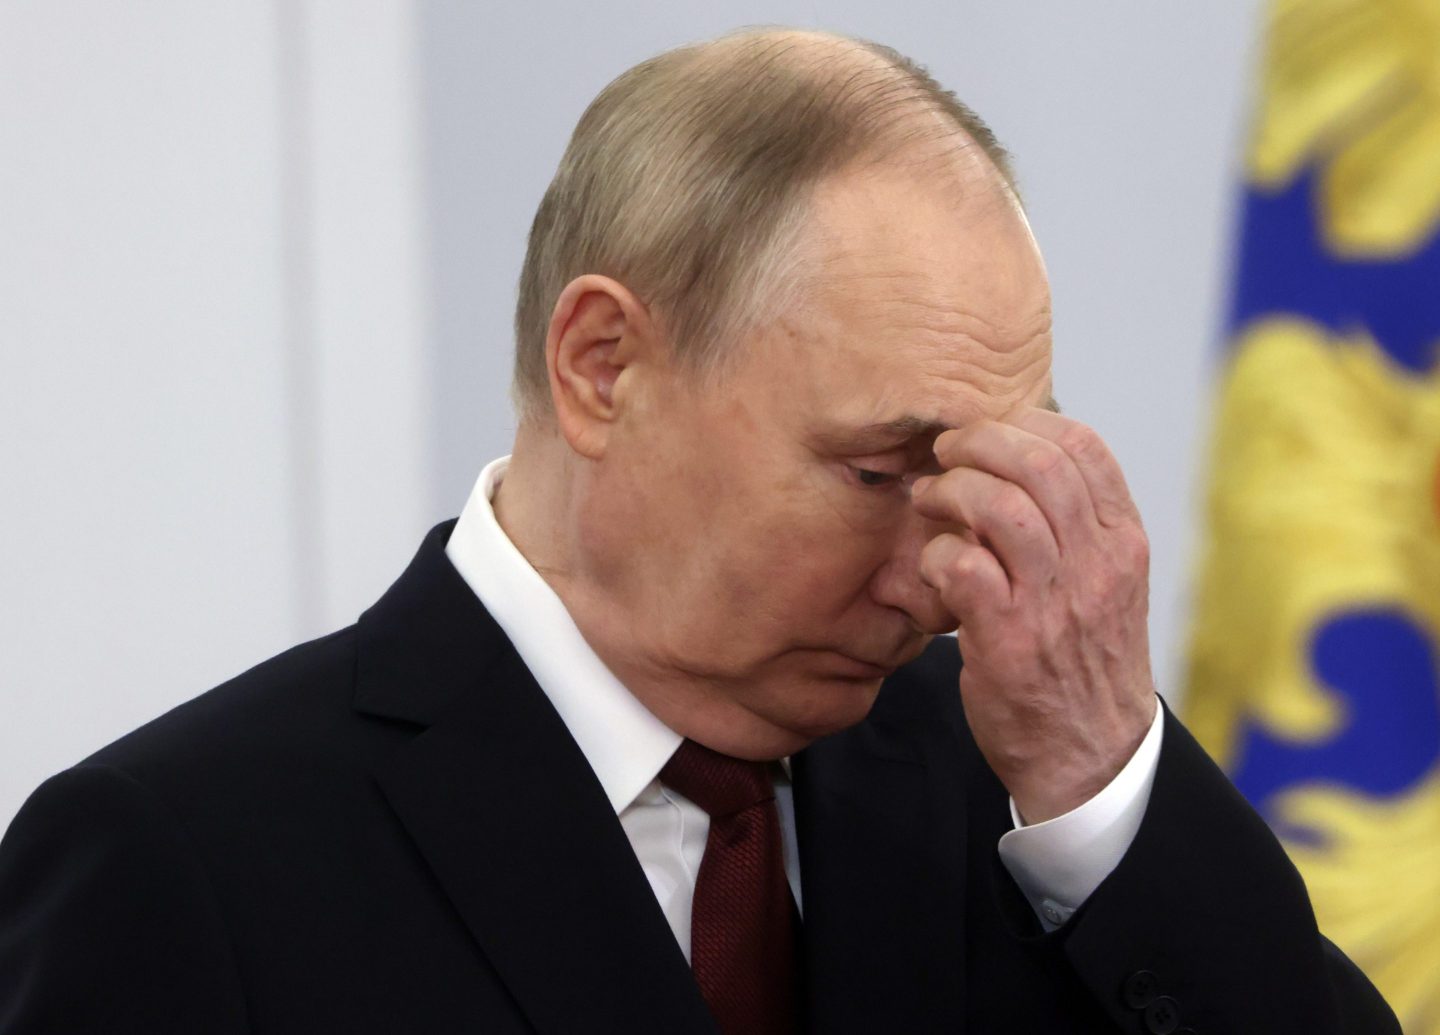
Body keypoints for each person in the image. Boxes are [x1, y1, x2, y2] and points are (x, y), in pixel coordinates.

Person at [0, 27, 1399, 1034]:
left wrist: (1103, 782)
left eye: (986, 470)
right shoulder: (179, 863)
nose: (942, 576)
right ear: (602, 365)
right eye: (878, 469)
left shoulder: (1014, 792)